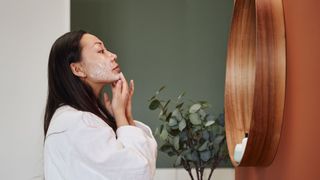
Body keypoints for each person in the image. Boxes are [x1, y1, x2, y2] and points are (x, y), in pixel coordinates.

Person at [43, 30, 157, 180]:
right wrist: (120, 116)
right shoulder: (76, 122)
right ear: (78, 69)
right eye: (101, 51)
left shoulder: (79, 119)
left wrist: (125, 115)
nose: (113, 55)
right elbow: (137, 173)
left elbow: (144, 165)